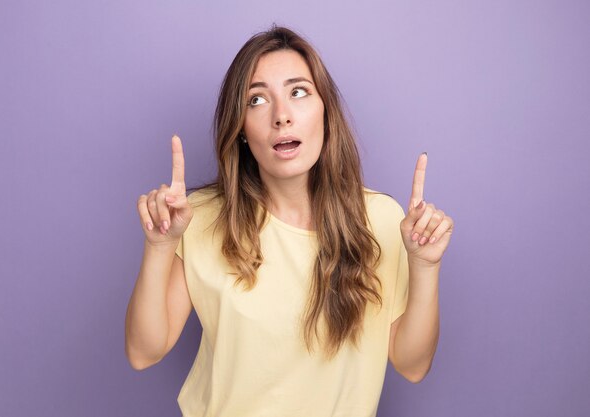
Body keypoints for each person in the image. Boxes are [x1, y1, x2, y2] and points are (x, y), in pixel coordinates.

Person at [125, 26, 454, 416]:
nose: (282, 116)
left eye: (298, 92)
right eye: (258, 100)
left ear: (325, 111)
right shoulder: (201, 218)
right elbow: (144, 352)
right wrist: (160, 246)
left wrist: (424, 265)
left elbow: (412, 365)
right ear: (242, 130)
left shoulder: (381, 220)